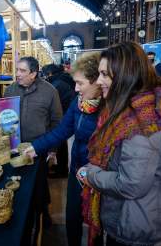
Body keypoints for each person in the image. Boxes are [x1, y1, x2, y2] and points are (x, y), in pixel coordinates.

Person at [77, 41, 161, 246]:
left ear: (124, 75)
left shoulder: (141, 122)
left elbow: (131, 185)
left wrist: (91, 174)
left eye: (105, 74)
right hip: (128, 215)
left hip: (135, 224)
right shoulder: (124, 112)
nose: (99, 81)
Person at [24, 52, 102, 246]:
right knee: (72, 216)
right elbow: (62, 130)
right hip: (76, 171)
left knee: (97, 222)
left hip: (98, 175)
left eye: (80, 83)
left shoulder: (110, 108)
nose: (76, 89)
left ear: (97, 82)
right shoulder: (79, 104)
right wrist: (36, 148)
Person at [4, 56, 62, 243]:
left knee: (38, 185)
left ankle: (42, 214)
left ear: (34, 73)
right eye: (17, 70)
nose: (17, 74)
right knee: (17, 184)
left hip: (39, 148)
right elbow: (2, 115)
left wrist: (52, 149)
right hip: (14, 148)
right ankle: (22, 219)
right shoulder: (10, 90)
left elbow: (56, 122)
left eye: (22, 71)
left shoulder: (49, 91)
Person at [41, 63, 76, 178]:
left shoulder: (56, 85)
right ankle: (61, 167)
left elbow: (54, 105)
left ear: (50, 74)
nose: (44, 77)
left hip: (64, 114)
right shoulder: (62, 79)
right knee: (62, 143)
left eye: (45, 75)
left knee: (60, 143)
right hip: (66, 112)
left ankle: (61, 171)